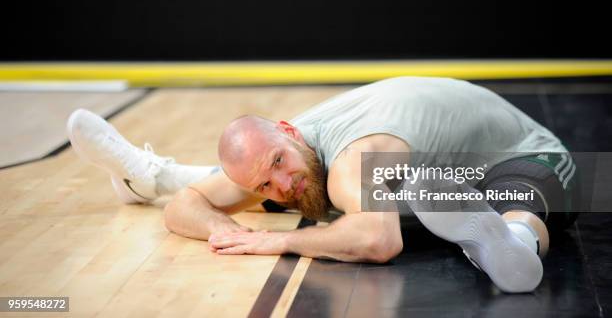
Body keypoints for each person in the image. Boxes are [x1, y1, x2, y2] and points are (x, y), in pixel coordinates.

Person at [66, 77, 579, 293]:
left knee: (518, 194)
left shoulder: (351, 159)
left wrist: (278, 239)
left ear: (287, 131)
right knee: (308, 195)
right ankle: (148, 178)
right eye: (263, 182)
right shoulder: (289, 151)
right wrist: (225, 228)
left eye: (278, 163)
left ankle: (514, 245)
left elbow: (380, 243)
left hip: (521, 154)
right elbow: (183, 208)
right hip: (430, 173)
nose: (280, 183)